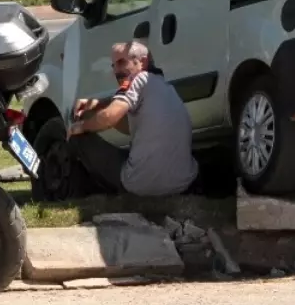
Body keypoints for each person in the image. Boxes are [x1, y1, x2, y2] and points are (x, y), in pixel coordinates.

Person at [67, 40, 199, 196]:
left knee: (78, 137)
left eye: (122, 63)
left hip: (140, 184)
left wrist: (80, 126)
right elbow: (130, 127)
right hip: (182, 184)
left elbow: (110, 116)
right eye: (113, 65)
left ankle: (79, 191)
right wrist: (97, 105)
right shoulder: (166, 87)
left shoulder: (136, 79)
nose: (116, 70)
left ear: (142, 62)